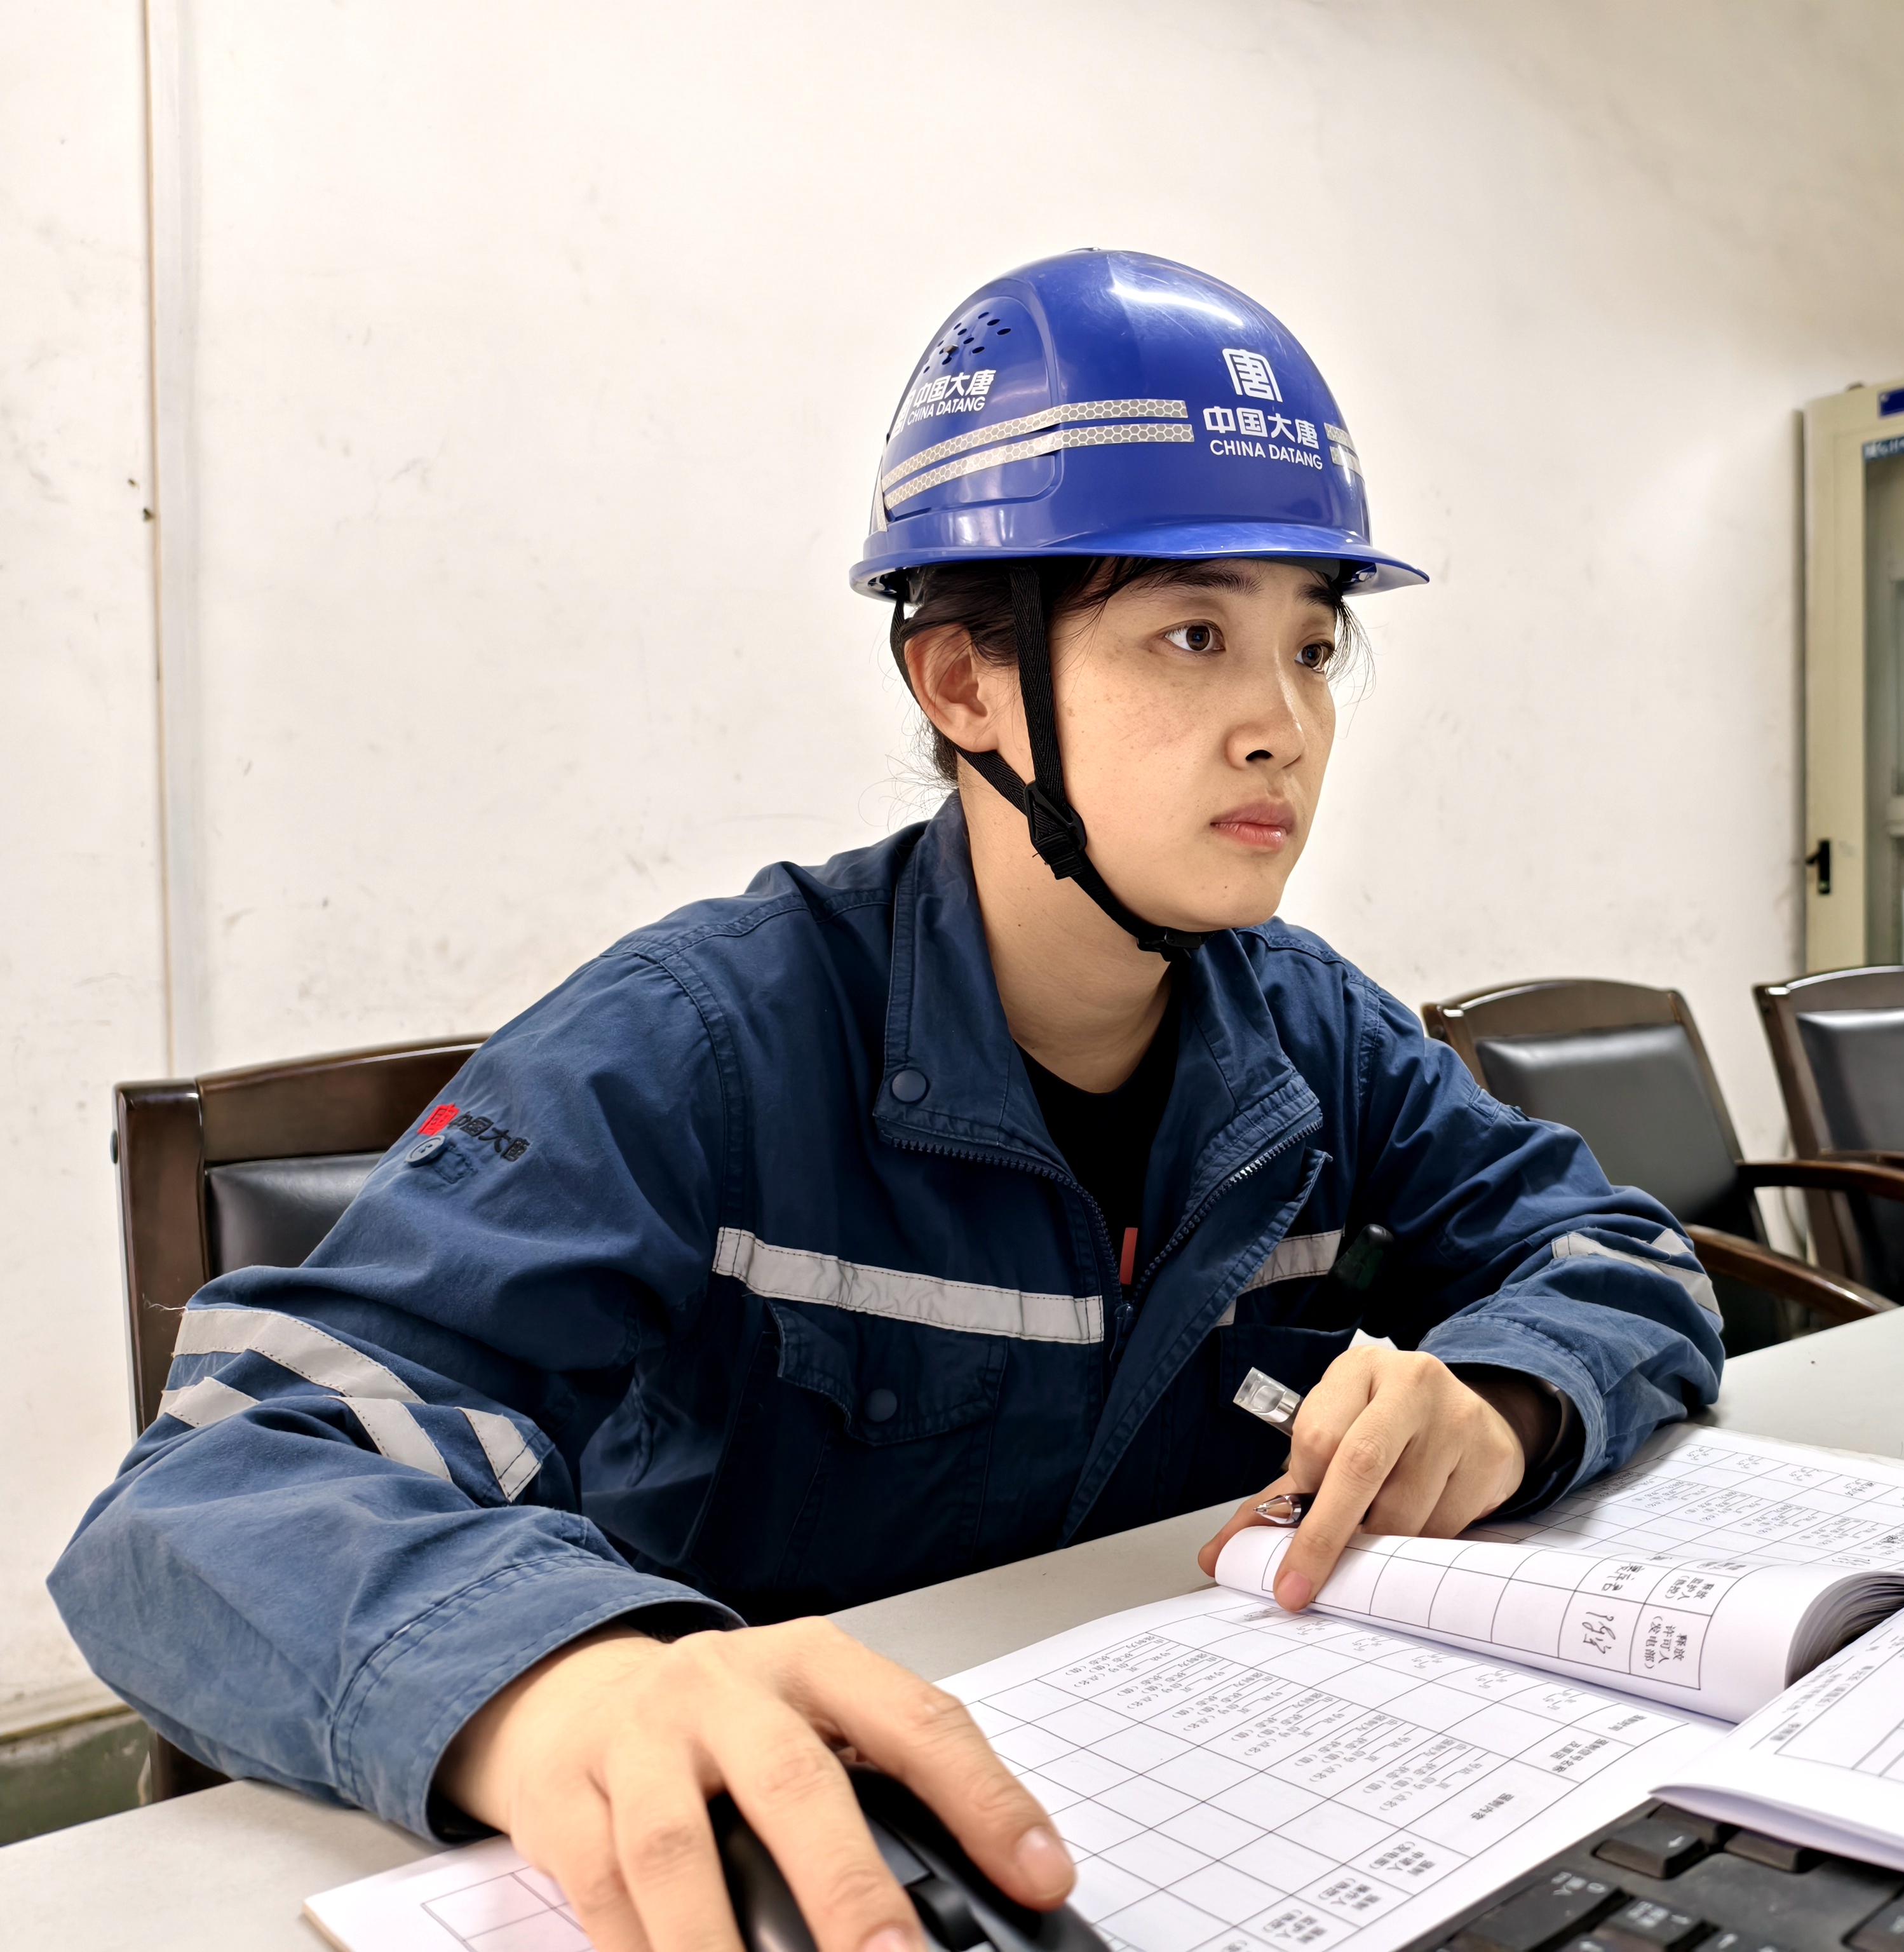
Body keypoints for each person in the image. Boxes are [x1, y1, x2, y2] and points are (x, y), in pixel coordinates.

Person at [52, 250, 1724, 1952]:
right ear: (964, 683)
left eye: (1313, 644)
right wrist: (565, 1677)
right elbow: (212, 1491)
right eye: (1194, 635)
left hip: (1214, 1810)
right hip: (813, 1865)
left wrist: (1507, 1396)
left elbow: (1624, 1253)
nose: (1282, 725)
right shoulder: (703, 1041)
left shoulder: (1318, 1037)